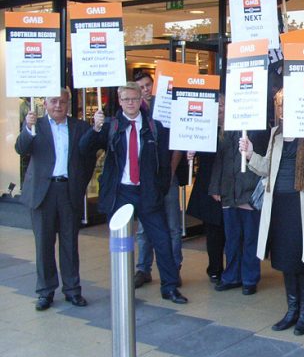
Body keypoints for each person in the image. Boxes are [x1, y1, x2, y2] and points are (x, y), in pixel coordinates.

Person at [79, 82, 188, 304]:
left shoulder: (153, 126)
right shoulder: (111, 126)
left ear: (141, 100)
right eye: (126, 99)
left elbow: (165, 162)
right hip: (121, 193)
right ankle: (121, 284)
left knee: (162, 240)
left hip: (147, 193)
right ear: (119, 101)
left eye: (134, 99)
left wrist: (161, 187)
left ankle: (169, 287)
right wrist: (96, 128)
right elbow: (84, 148)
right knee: (121, 243)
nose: (130, 103)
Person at [240, 125, 304, 336]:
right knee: (286, 259)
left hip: (303, 204)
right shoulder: (277, 132)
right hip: (279, 204)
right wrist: (250, 153)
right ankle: (292, 310)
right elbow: (267, 167)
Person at [15, 88, 96, 311]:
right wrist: (28, 129)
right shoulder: (36, 124)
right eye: (53, 101)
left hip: (68, 191)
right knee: (44, 244)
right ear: (45, 103)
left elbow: (89, 155)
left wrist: (79, 184)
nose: (58, 105)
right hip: (43, 192)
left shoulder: (79, 127)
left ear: (69, 103)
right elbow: (21, 148)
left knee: (70, 243)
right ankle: (45, 291)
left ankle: (72, 290)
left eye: (62, 101)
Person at [132, 71, 184, 289]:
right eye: (140, 87)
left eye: (147, 85)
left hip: (167, 178)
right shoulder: (134, 115)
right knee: (144, 228)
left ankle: (172, 270)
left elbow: (179, 141)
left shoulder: (168, 109)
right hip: (145, 182)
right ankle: (143, 269)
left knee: (173, 226)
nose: (145, 90)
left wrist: (170, 172)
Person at [209, 127, 266, 295]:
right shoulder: (226, 130)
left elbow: (263, 159)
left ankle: (249, 278)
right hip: (229, 190)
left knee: (250, 238)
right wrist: (215, 186)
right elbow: (220, 159)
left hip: (248, 189)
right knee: (232, 238)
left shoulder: (259, 128)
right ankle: (232, 275)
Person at [186, 96, 228, 283]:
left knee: (231, 231)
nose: (219, 109)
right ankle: (215, 269)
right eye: (216, 105)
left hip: (229, 186)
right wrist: (191, 150)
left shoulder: (237, 128)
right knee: (213, 231)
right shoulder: (203, 129)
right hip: (208, 184)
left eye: (223, 105)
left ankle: (233, 268)